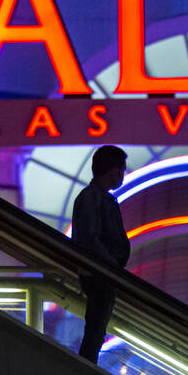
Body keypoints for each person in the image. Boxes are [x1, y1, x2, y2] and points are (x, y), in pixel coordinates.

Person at [71, 146, 130, 362]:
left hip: (99, 272)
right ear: (114, 172)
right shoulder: (95, 199)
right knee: (96, 326)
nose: (122, 176)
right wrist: (110, 264)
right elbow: (90, 237)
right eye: (121, 171)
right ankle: (87, 365)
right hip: (100, 274)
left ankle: (88, 363)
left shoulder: (92, 197)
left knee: (97, 326)